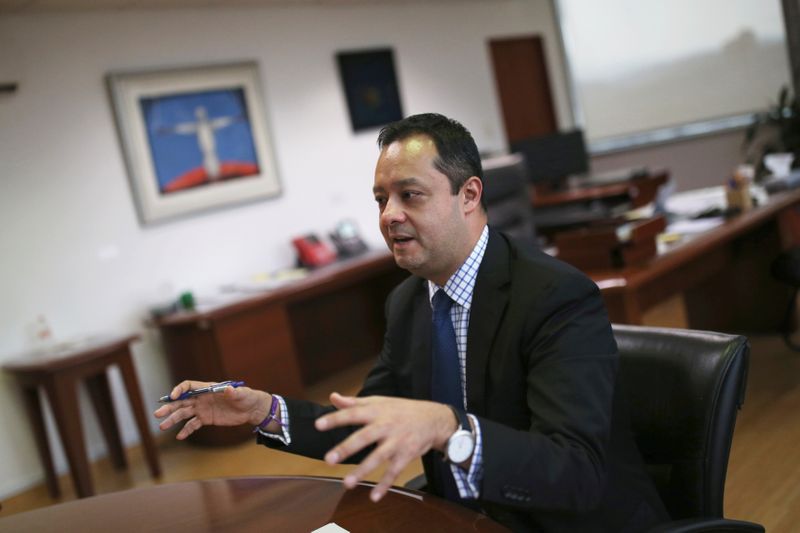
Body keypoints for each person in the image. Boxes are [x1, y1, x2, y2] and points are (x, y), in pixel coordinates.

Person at [155, 113, 668, 531]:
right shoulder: (407, 303)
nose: (388, 216)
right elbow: (369, 425)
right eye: (381, 200)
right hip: (459, 519)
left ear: (468, 196)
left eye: (410, 195)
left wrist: (449, 429)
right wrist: (265, 410)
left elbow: (574, 473)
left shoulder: (556, 297)